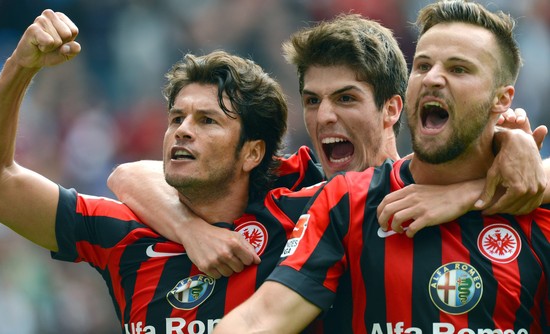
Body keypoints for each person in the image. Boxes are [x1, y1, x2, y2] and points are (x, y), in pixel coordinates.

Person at [108, 12, 548, 279]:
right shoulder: (295, 187)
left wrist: (475, 184)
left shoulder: (448, 176)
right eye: (312, 101)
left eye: (345, 99)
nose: (323, 117)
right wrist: (190, 230)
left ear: (393, 109)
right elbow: (130, 175)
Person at [0, 10, 327, 332]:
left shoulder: (307, 217)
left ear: (252, 153)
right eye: (176, 118)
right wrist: (20, 66)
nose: (183, 129)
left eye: (207, 120)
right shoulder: (123, 232)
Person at [214, 1, 550, 332]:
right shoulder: (346, 200)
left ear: (502, 99)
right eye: (422, 65)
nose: (433, 78)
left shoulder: (535, 211)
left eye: (458, 69)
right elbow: (259, 320)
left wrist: (469, 195)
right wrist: (188, 227)